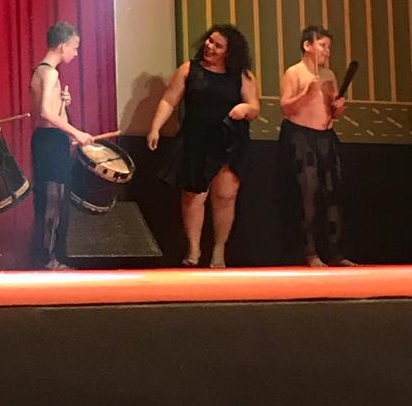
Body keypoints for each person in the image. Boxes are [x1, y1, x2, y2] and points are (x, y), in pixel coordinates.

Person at [147, 23, 260, 268]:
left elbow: (254, 107)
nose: (210, 47)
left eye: (218, 46)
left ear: (229, 52)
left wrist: (245, 108)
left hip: (229, 141)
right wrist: (155, 127)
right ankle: (194, 249)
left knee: (225, 196)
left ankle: (219, 251)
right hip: (196, 139)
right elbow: (169, 100)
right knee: (193, 195)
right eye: (209, 41)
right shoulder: (190, 69)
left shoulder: (243, 75)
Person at [278, 25, 352, 267]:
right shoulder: (294, 73)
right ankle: (309, 252)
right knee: (307, 193)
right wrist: (305, 94)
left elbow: (334, 113)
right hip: (300, 136)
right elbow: (285, 108)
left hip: (325, 136)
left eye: (329, 47)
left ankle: (335, 251)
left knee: (333, 192)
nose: (327, 51)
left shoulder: (329, 75)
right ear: (307, 45)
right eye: (323, 45)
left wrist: (338, 107)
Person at [29, 21, 93, 270]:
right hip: (50, 141)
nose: (75, 54)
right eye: (74, 48)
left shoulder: (40, 70)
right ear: (63, 45)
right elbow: (45, 112)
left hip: (47, 140)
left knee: (50, 198)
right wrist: (76, 132)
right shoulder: (51, 73)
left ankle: (48, 257)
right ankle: (49, 258)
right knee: (54, 200)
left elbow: (49, 109)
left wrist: (63, 104)